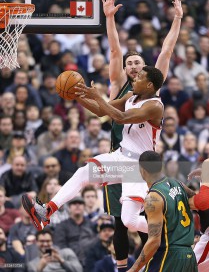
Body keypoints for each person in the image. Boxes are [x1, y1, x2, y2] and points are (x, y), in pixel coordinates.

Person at [22, 66, 164, 240]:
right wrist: (78, 96)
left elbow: (121, 118)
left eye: (139, 77)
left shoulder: (155, 106)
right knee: (83, 172)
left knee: (130, 221)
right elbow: (101, 111)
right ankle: (46, 211)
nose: (134, 79)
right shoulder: (130, 97)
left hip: (139, 168)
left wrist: (98, 96)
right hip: (121, 157)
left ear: (150, 85)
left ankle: (166, 229)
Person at [100, 0, 183, 271]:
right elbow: (113, 49)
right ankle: (123, 267)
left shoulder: (153, 85)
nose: (134, 65)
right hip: (118, 155)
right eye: (130, 62)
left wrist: (177, 20)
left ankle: (159, 257)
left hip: (144, 160)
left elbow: (167, 50)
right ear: (124, 68)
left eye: (138, 62)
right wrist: (109, 18)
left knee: (143, 215)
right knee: (119, 223)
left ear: (145, 69)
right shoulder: (118, 85)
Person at [128, 150, 198, 272]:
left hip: (169, 256)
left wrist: (133, 269)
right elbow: (198, 203)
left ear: (141, 170)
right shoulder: (178, 183)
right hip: (189, 256)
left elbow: (154, 241)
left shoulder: (153, 198)